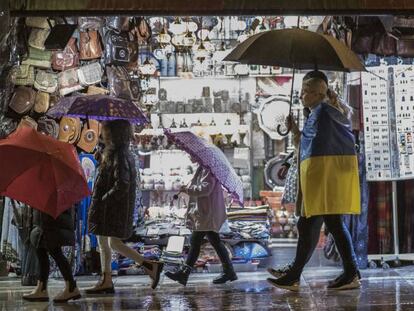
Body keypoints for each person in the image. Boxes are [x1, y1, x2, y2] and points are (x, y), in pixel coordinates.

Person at [267, 71, 361, 291]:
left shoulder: (326, 114)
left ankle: (295, 275)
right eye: (301, 91)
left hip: (324, 180)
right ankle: (350, 272)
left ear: (319, 93)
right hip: (322, 180)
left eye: (306, 91)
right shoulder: (318, 113)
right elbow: (309, 145)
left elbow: (327, 148)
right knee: (332, 225)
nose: (301, 96)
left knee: (313, 224)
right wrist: (295, 130)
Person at [86, 120, 163, 293]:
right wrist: (101, 159)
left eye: (105, 131)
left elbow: (122, 183)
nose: (102, 134)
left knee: (109, 242)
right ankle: (108, 278)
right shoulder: (116, 153)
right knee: (107, 241)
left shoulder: (119, 155)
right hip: (112, 209)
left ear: (113, 134)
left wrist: (104, 199)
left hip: (111, 209)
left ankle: (148, 266)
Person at [165, 163, 237, 286]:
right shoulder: (204, 169)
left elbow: (205, 189)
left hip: (207, 213)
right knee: (213, 241)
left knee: (196, 240)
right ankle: (229, 271)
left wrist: (187, 189)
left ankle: (184, 273)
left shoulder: (208, 170)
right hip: (206, 213)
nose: (190, 158)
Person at [22, 207, 81, 303]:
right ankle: (42, 288)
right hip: (45, 220)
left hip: (51, 221)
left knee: (54, 251)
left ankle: (71, 287)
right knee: (41, 250)